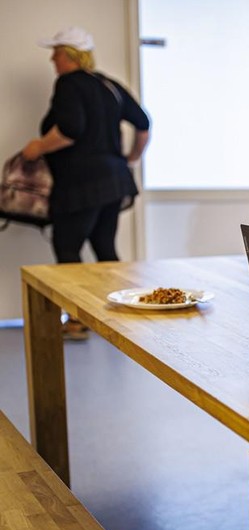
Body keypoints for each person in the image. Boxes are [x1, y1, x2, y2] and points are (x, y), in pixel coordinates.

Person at [22, 26, 150, 340]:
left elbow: (70, 129)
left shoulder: (68, 83)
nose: (52, 58)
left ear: (69, 55)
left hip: (81, 184)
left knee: (67, 248)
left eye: (57, 52)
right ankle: (122, 315)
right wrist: (131, 159)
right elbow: (143, 124)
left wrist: (37, 147)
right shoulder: (108, 85)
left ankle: (78, 321)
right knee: (104, 246)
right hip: (114, 181)